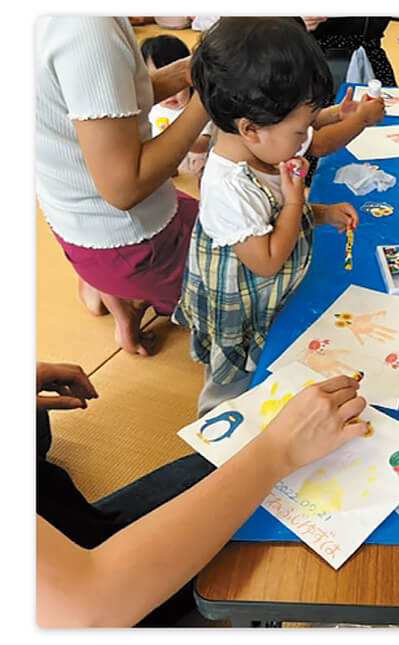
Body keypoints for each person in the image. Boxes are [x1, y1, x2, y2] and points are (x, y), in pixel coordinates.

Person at [36, 360, 368, 626]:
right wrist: (276, 450)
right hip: (97, 595)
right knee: (248, 493)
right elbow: (87, 609)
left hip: (65, 528)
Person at [172, 18, 362, 416]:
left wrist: (318, 211)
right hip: (241, 303)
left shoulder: (260, 145)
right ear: (251, 129)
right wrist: (295, 202)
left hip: (265, 291)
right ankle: (216, 433)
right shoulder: (229, 188)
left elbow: (272, 216)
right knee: (232, 382)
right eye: (300, 132)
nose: (306, 141)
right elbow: (267, 259)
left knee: (266, 362)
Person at [36, 17, 210, 356]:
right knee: (243, 271)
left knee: (199, 211)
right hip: (127, 238)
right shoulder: (85, 27)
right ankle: (126, 290)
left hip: (70, 222)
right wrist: (208, 99)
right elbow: (124, 189)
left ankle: (115, 298)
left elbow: (95, 99)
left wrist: (181, 73)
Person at [141, 34, 214, 180]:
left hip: (192, 171)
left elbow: (204, 143)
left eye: (177, 84)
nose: (171, 94)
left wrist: (176, 139)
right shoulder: (151, 109)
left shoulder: (196, 108)